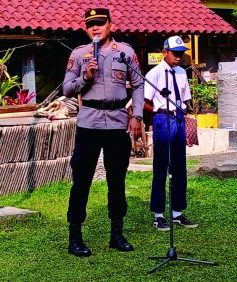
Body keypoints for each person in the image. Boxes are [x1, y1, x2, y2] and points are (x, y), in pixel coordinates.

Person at [63, 8, 144, 257]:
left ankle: (116, 234)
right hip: (89, 123)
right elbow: (67, 88)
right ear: (86, 28)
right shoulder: (79, 55)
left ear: (110, 24)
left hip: (118, 121)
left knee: (117, 179)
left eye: (100, 23)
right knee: (82, 180)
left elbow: (139, 84)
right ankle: (75, 236)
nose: (95, 28)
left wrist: (138, 116)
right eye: (91, 25)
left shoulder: (126, 52)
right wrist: (85, 78)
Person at [144, 36, 198, 231]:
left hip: (179, 118)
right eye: (175, 53)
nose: (179, 57)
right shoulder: (154, 73)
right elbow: (146, 101)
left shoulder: (182, 72)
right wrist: (160, 112)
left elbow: (185, 98)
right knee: (161, 166)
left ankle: (177, 212)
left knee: (179, 166)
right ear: (164, 51)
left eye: (181, 53)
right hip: (163, 118)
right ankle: (158, 214)